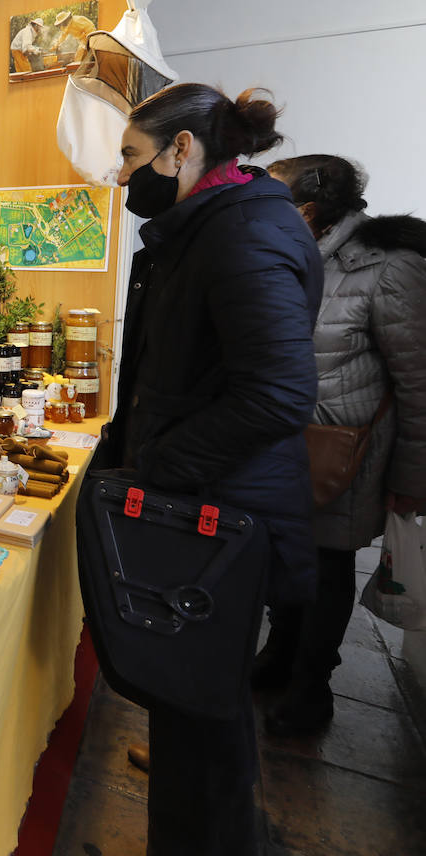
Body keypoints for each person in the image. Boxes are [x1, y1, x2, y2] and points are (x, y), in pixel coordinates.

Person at [99, 83, 320, 855]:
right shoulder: (213, 224)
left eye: (131, 156)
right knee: (193, 705)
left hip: (222, 507)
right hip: (211, 495)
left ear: (181, 149)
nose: (122, 177)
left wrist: (156, 464)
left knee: (205, 708)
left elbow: (278, 394)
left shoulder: (241, 234)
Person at [255, 155, 426, 736]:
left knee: (325, 572)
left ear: (305, 210)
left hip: (342, 453)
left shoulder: (388, 269)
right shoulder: (291, 258)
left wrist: (411, 479)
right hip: (283, 445)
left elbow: (419, 385)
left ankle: (311, 690)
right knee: (282, 561)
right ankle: (278, 659)